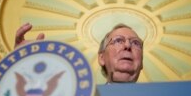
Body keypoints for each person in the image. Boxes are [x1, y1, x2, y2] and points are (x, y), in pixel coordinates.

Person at [14, 23, 143, 83]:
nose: (127, 46)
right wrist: (23, 64)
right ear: (102, 57)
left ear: (141, 61)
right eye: (118, 40)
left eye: (135, 43)